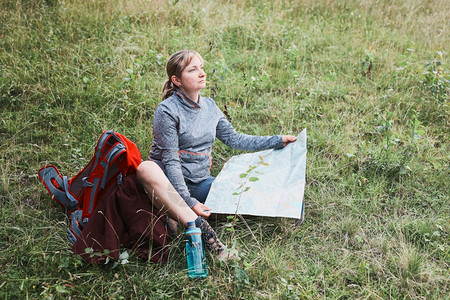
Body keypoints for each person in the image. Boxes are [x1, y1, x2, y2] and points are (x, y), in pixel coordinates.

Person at [137, 50, 297, 259]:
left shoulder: (210, 106)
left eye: (201, 68)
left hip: (200, 182)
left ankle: (179, 216)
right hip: (169, 184)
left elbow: (235, 139)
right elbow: (171, 161)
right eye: (193, 70)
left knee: (247, 194)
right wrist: (188, 200)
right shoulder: (166, 111)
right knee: (145, 168)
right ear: (176, 80)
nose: (201, 73)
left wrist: (277, 140)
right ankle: (199, 226)